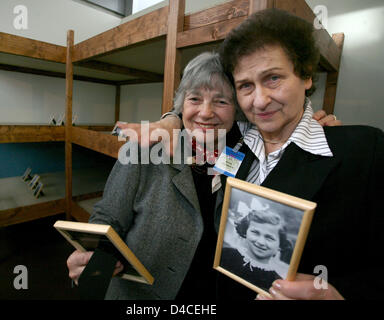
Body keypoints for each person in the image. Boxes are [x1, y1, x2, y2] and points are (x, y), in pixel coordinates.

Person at [119, 9, 384, 300]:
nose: (259, 100)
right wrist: (169, 119)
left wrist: (337, 294)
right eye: (245, 86)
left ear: (306, 75)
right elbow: (197, 115)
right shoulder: (236, 145)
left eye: (273, 79)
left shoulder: (365, 150)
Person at [67, 51, 243, 299]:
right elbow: (108, 217)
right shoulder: (144, 149)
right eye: (194, 99)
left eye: (221, 101)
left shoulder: (244, 155)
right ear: (181, 106)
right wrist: (92, 255)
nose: (205, 112)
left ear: (237, 110)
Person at [221, 209, 290, 292]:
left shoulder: (276, 282)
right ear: (245, 232)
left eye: (269, 238)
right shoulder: (224, 254)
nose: (261, 242)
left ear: (280, 245)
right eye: (255, 232)